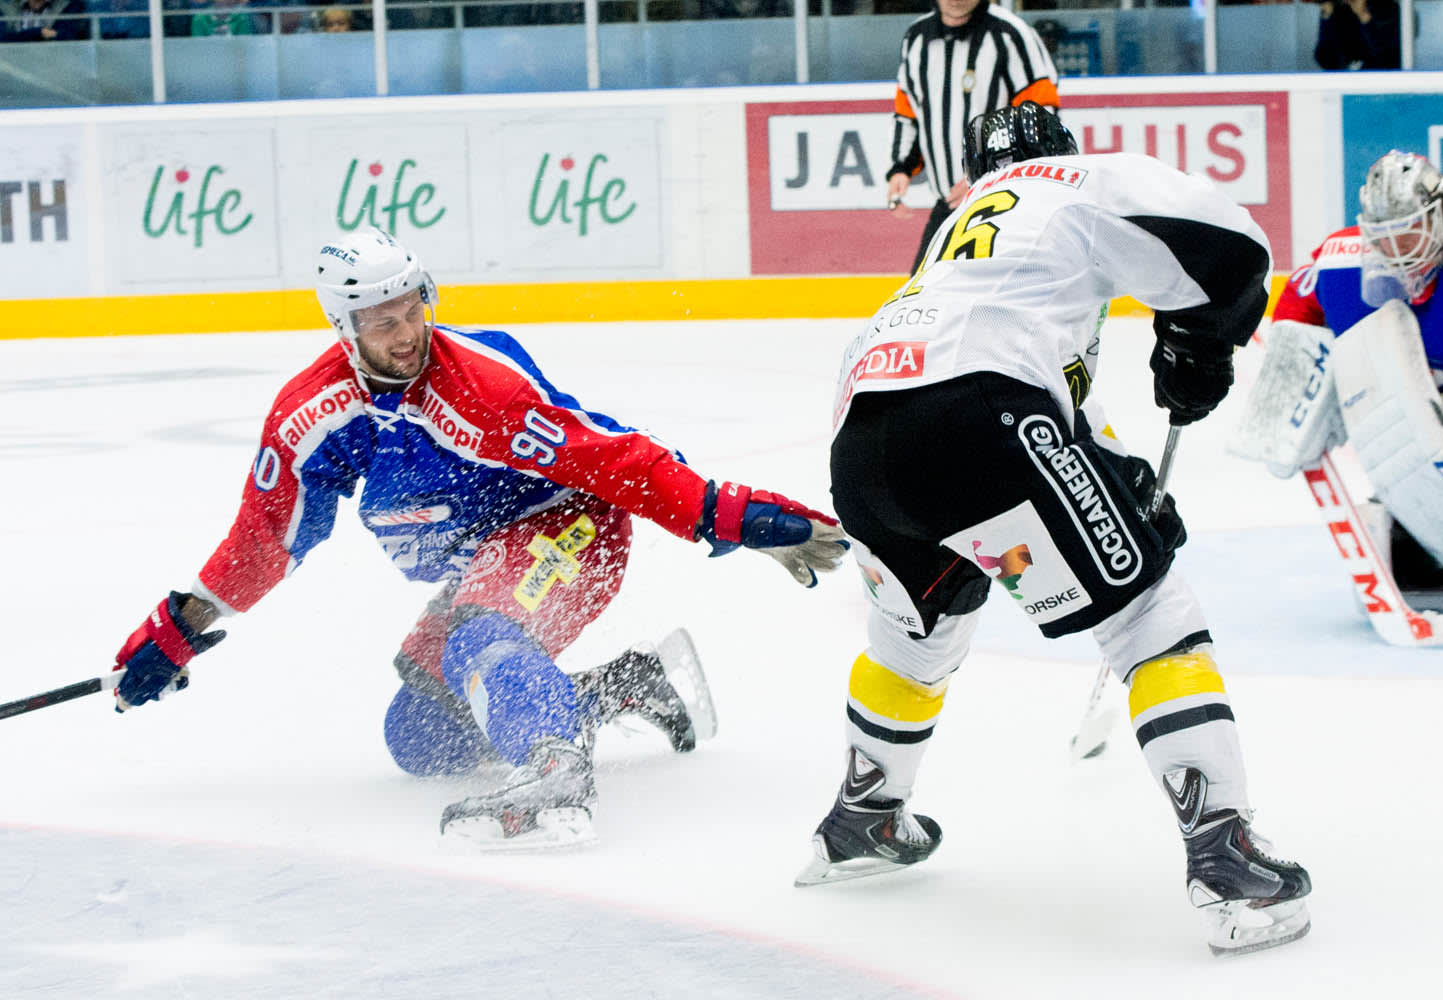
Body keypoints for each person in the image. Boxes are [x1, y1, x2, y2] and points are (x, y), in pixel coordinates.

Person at [108, 227, 847, 848]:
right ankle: (623, 685)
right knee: (419, 737)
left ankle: (555, 764)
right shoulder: (316, 414)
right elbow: (267, 537)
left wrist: (728, 514)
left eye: (412, 309)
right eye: (382, 323)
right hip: (484, 567)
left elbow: (611, 458)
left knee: (478, 640)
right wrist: (177, 631)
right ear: (344, 328)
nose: (407, 335)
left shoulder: (481, 388)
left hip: (572, 526)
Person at [795, 102, 1312, 957]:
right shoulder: (1075, 180)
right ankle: (1227, 861)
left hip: (864, 445)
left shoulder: (954, 235)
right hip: (982, 415)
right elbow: (1232, 242)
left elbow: (1022, 378)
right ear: (1060, 150)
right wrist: (1200, 341)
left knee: (915, 637)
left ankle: (863, 818)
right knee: (1149, 616)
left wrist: (1118, 479)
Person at [1232, 150, 1443, 622]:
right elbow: (1299, 303)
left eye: (1409, 232)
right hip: (1423, 413)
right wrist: (1293, 386)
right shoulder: (1342, 262)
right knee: (1414, 551)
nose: (1397, 250)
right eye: (1383, 236)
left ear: (1442, 216)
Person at [886, 0, 1059, 275]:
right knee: (923, 294)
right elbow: (908, 108)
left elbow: (1040, 119)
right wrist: (902, 166)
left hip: (1008, 206)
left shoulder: (1011, 34)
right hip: (949, 205)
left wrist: (988, 177)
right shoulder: (917, 38)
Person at [1314, 0, 1399, 71]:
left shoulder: (1389, 9)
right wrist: (1328, 15)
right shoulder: (1338, 11)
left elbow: (1389, 59)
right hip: (1346, 81)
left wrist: (1364, 16)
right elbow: (1325, 61)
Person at [2, 0, 87, 40]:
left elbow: (67, 38)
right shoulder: (5, 8)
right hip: (14, 66)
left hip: (54, 64)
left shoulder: (70, 5)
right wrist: (40, 32)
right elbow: (2, 38)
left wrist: (19, 37)